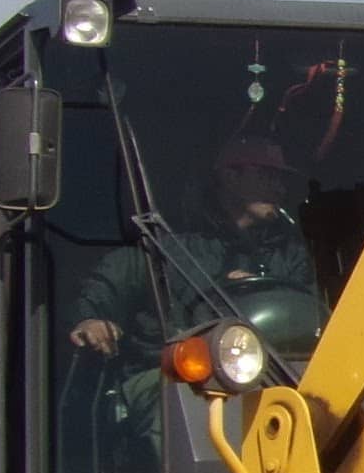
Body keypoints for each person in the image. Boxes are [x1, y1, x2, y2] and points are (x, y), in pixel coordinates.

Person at [68, 136, 316, 362]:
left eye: (280, 180)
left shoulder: (290, 255)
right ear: (230, 177)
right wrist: (90, 320)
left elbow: (311, 318)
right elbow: (112, 281)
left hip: (272, 374)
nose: (279, 189)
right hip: (173, 376)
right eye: (267, 176)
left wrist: (266, 295)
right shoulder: (165, 246)